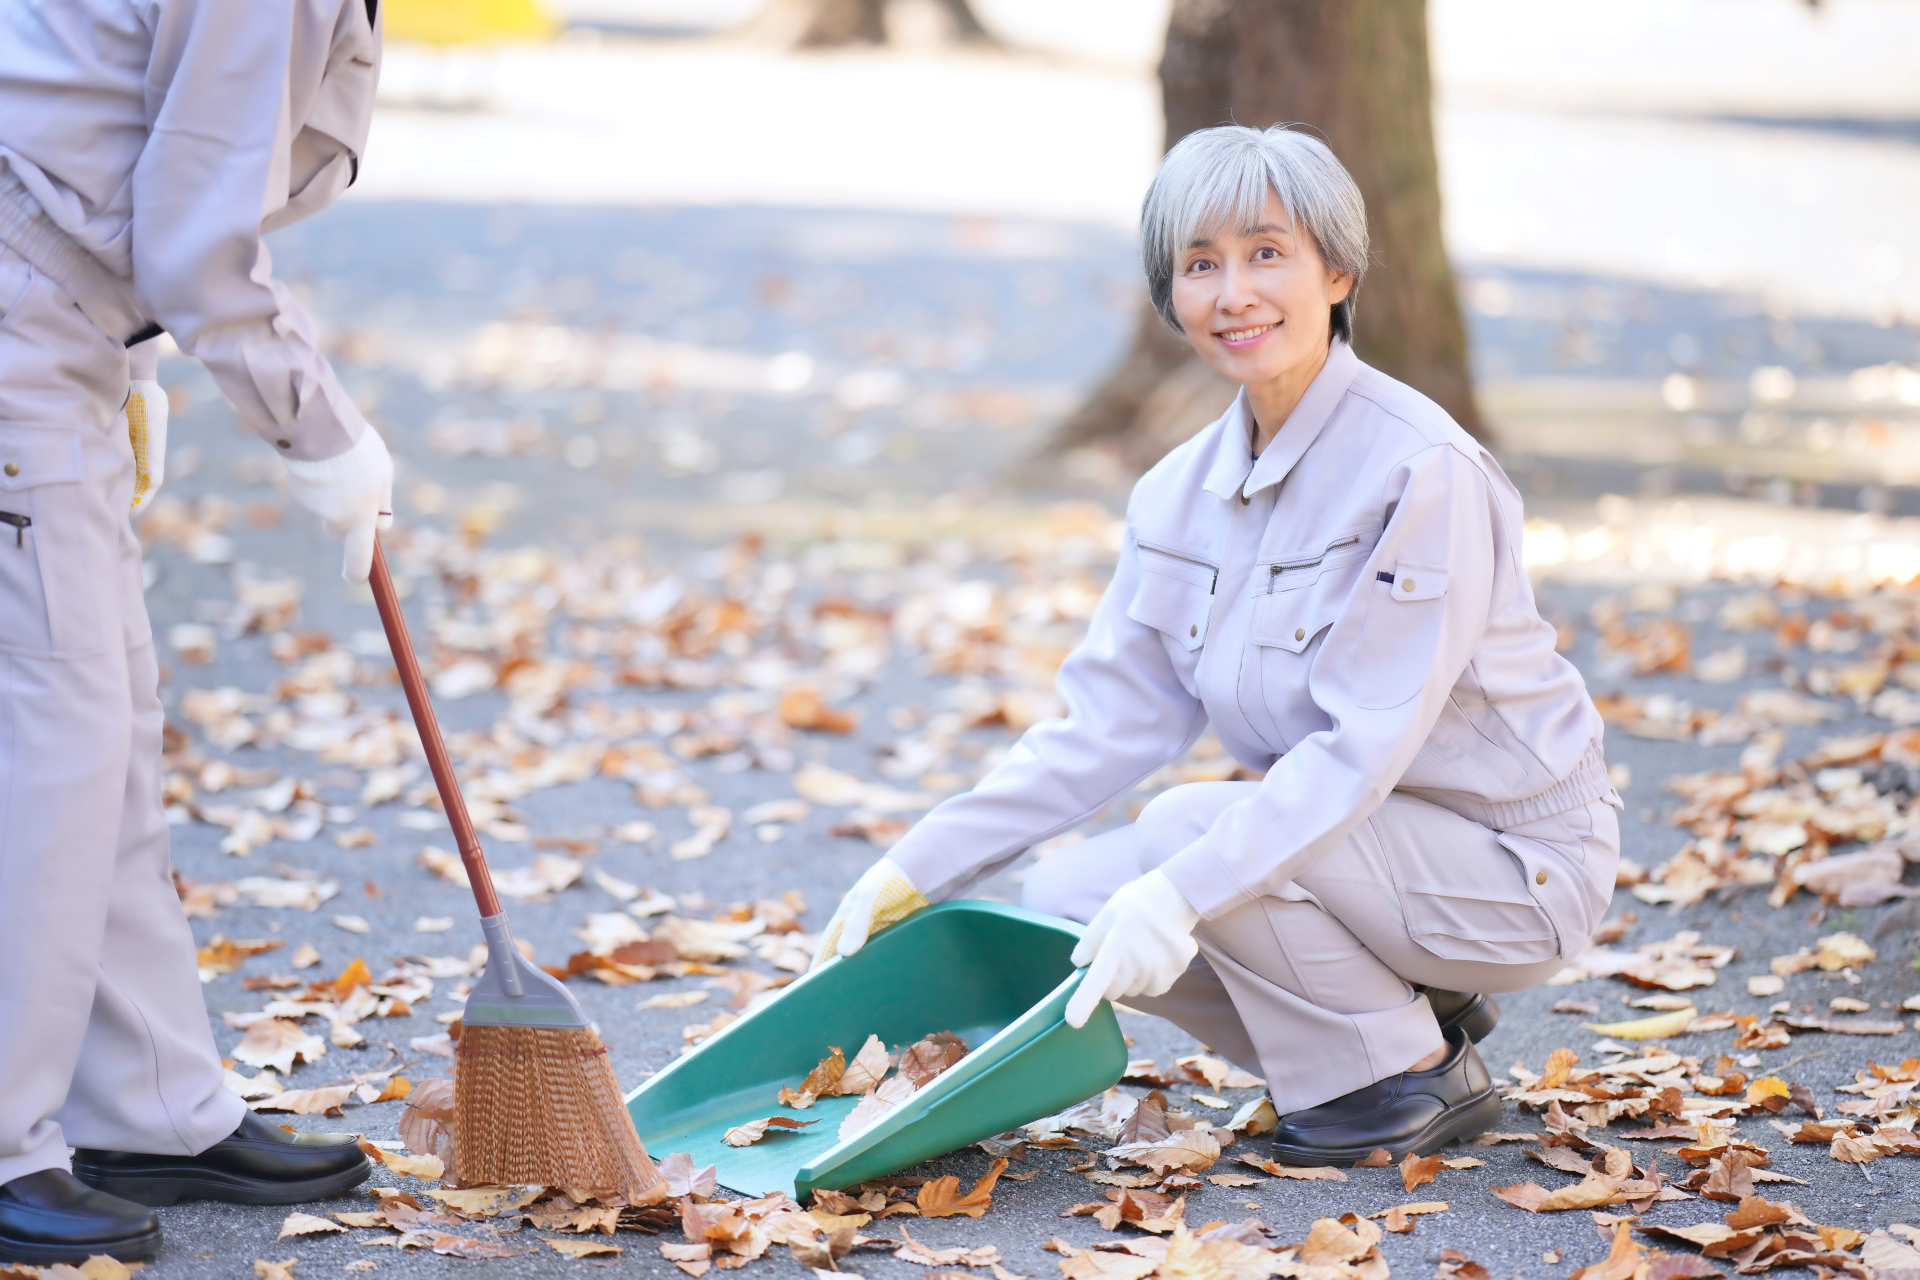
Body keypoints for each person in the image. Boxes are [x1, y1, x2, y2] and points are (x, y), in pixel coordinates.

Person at [814, 123, 1618, 1165]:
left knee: (1191, 831)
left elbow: (1361, 746)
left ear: (1337, 270)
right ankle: (1403, 1022)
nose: (1234, 291)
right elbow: (1100, 730)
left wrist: (1184, 890)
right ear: (1173, 297)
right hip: (1364, 852)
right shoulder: (1175, 491)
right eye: (1201, 264)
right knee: (1065, 900)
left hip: (1515, 867)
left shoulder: (1424, 470)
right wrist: (914, 867)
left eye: (1266, 252)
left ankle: (1396, 1072)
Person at [0, 0, 396, 1264]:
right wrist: (320, 429)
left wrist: (133, 365)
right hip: (16, 318)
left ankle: (151, 1106)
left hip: (55, 318)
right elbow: (192, 235)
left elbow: (113, 118)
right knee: (52, 741)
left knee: (105, 720)